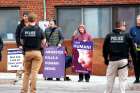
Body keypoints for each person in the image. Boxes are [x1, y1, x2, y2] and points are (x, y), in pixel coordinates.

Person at [103, 21, 135, 93]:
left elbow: (105, 49)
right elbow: (133, 49)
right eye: (124, 26)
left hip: (112, 60)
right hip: (123, 61)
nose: (125, 27)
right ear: (121, 26)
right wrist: (134, 60)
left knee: (110, 79)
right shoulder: (127, 36)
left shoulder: (109, 36)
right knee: (123, 80)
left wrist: (106, 59)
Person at [20, 12, 46, 93]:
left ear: (28, 19)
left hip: (27, 53)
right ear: (35, 19)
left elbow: (21, 41)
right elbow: (44, 41)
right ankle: (33, 91)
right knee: (34, 73)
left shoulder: (24, 29)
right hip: (37, 53)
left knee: (26, 73)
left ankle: (24, 91)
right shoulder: (39, 29)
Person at [15, 11, 29, 80]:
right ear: (23, 17)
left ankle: (27, 74)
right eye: (24, 16)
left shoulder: (31, 24)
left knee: (28, 60)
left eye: (27, 16)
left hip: (29, 46)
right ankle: (19, 74)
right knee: (21, 60)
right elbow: (17, 36)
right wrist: (19, 45)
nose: (25, 17)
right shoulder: (20, 25)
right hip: (22, 46)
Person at [129, 15, 140, 83]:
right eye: (137, 19)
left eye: (139, 19)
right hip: (135, 50)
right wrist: (133, 43)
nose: (138, 20)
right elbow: (130, 38)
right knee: (136, 64)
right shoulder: (132, 29)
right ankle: (137, 78)